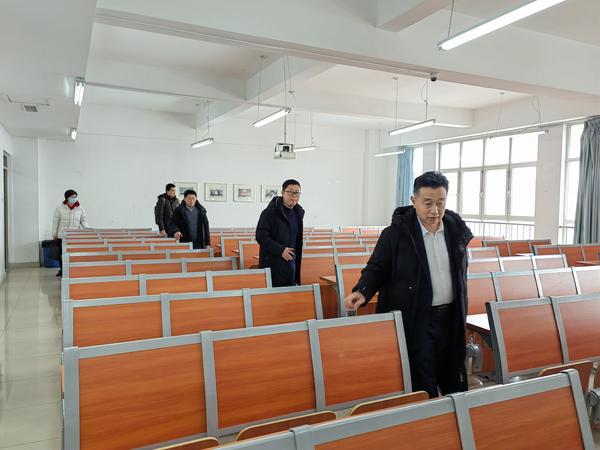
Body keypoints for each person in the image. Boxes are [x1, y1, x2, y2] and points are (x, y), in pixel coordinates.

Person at [344, 171, 473, 398]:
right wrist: (362, 291)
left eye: (440, 203)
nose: (435, 210)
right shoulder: (396, 234)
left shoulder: (455, 232)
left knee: (454, 380)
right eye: (428, 203)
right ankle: (427, 417)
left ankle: (454, 420)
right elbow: (377, 268)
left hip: (451, 318)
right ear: (414, 201)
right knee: (423, 383)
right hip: (417, 318)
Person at [256, 179, 304, 287]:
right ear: (282, 192)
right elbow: (261, 237)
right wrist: (280, 250)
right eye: (290, 192)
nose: (293, 195)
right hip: (273, 263)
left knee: (291, 295)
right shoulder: (269, 213)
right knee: (274, 295)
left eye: (297, 192)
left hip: (291, 265)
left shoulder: (298, 213)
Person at [52, 189, 90, 276]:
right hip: (62, 236)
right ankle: (62, 270)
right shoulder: (60, 208)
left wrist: (87, 229)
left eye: (75, 197)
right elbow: (55, 222)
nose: (74, 199)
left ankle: (73, 270)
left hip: (75, 236)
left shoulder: (79, 208)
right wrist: (54, 234)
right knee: (62, 254)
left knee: (74, 254)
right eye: (72, 197)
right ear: (67, 198)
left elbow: (83, 220)